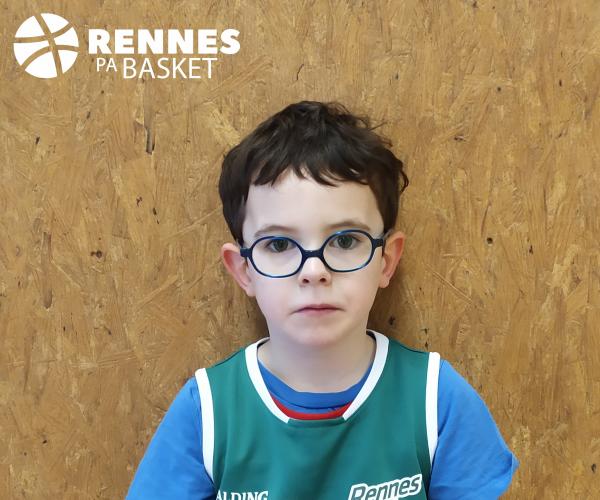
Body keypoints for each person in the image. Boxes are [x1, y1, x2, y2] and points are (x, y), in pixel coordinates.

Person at [126, 100, 519, 499]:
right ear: (243, 270)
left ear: (386, 260)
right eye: (279, 244)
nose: (314, 271)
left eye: (345, 241)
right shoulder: (206, 412)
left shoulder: (437, 400)